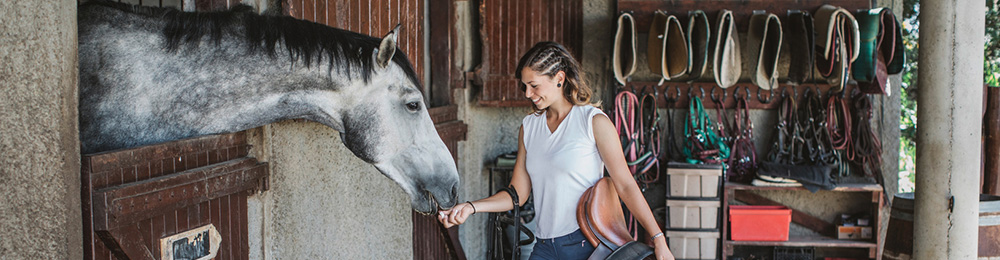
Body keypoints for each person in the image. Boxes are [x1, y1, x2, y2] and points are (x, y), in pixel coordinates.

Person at [438, 41, 674, 260]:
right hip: (544, 246)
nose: (527, 94)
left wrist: (658, 239)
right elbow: (516, 195)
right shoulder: (529, 127)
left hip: (585, 244)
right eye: (525, 86)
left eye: (534, 85)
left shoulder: (592, 122)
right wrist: (471, 207)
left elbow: (625, 185)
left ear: (559, 78)